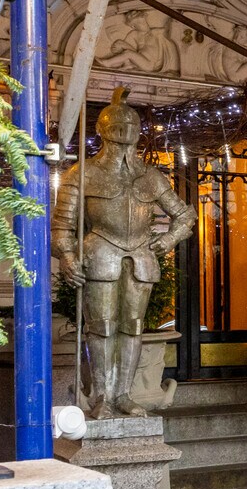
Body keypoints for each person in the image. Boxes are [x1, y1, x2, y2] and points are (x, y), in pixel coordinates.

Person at [52, 87, 193, 417]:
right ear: (102, 130)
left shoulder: (150, 176)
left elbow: (185, 215)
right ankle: (102, 395)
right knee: (101, 325)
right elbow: (61, 225)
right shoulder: (82, 173)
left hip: (140, 257)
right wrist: (68, 256)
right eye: (117, 126)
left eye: (130, 127)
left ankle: (124, 395)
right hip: (99, 253)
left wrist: (170, 239)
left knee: (133, 325)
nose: (124, 133)